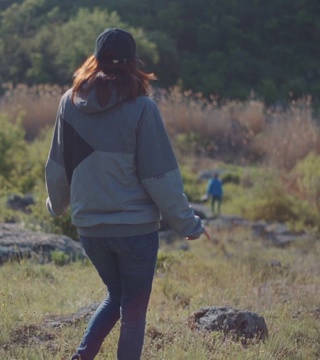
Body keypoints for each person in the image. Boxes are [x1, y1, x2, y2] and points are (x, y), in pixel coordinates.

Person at [45, 28, 210, 360]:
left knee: (115, 296)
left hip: (90, 230)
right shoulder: (143, 108)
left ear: (95, 59)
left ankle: (81, 357)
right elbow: (160, 176)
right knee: (133, 313)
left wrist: (57, 205)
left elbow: (58, 165)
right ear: (134, 63)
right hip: (135, 232)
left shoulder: (68, 103)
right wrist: (187, 225)